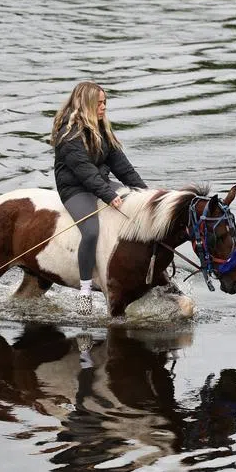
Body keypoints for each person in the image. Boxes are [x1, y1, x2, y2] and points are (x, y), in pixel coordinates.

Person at [51, 81, 148, 315]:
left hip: (99, 184)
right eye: (99, 103)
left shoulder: (103, 129)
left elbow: (122, 167)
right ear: (87, 105)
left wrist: (146, 195)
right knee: (92, 230)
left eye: (105, 102)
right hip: (75, 189)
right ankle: (85, 290)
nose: (104, 107)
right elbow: (85, 173)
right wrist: (109, 196)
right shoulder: (69, 135)